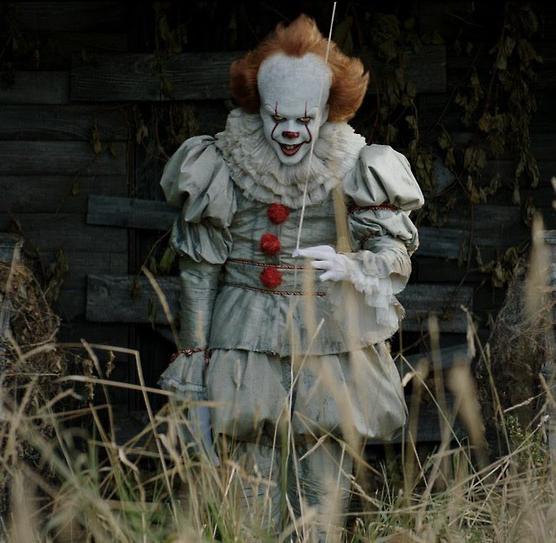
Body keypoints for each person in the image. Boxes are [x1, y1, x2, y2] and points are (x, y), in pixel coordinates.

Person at [158, 14, 423, 540]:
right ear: (259, 106)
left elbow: (395, 251)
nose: (290, 132)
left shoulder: (357, 164)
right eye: (277, 117)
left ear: (326, 110)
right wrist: (192, 362)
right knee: (248, 497)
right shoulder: (223, 162)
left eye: (305, 118)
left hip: (327, 340)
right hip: (243, 339)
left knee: (322, 491)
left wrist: (353, 266)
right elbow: (200, 272)